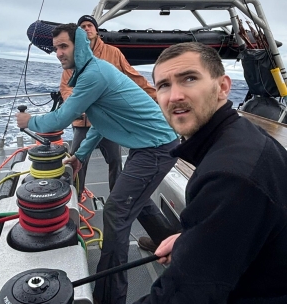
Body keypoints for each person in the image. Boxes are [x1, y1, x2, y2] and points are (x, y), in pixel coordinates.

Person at [134, 42, 287, 304]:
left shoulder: (229, 174)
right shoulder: (239, 136)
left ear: (223, 87)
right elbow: (237, 226)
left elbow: (187, 294)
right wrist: (191, 240)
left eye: (189, 79)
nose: (174, 95)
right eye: (164, 85)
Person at [16, 23, 179, 304]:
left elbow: (61, 118)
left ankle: (109, 296)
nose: (58, 53)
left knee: (116, 212)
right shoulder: (91, 73)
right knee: (136, 201)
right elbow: (102, 122)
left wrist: (30, 121)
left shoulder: (93, 74)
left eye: (64, 46)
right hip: (148, 147)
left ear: (79, 46)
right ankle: (173, 246)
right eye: (55, 48)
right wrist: (80, 156)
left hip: (156, 149)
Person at [60, 15, 156, 198]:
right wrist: (74, 104)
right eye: (82, 26)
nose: (87, 28)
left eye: (90, 25)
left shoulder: (113, 53)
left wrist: (157, 97)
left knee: (115, 160)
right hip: (82, 123)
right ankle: (77, 196)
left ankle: (116, 195)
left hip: (109, 121)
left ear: (96, 30)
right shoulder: (73, 56)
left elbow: (133, 76)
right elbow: (65, 86)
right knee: (78, 161)